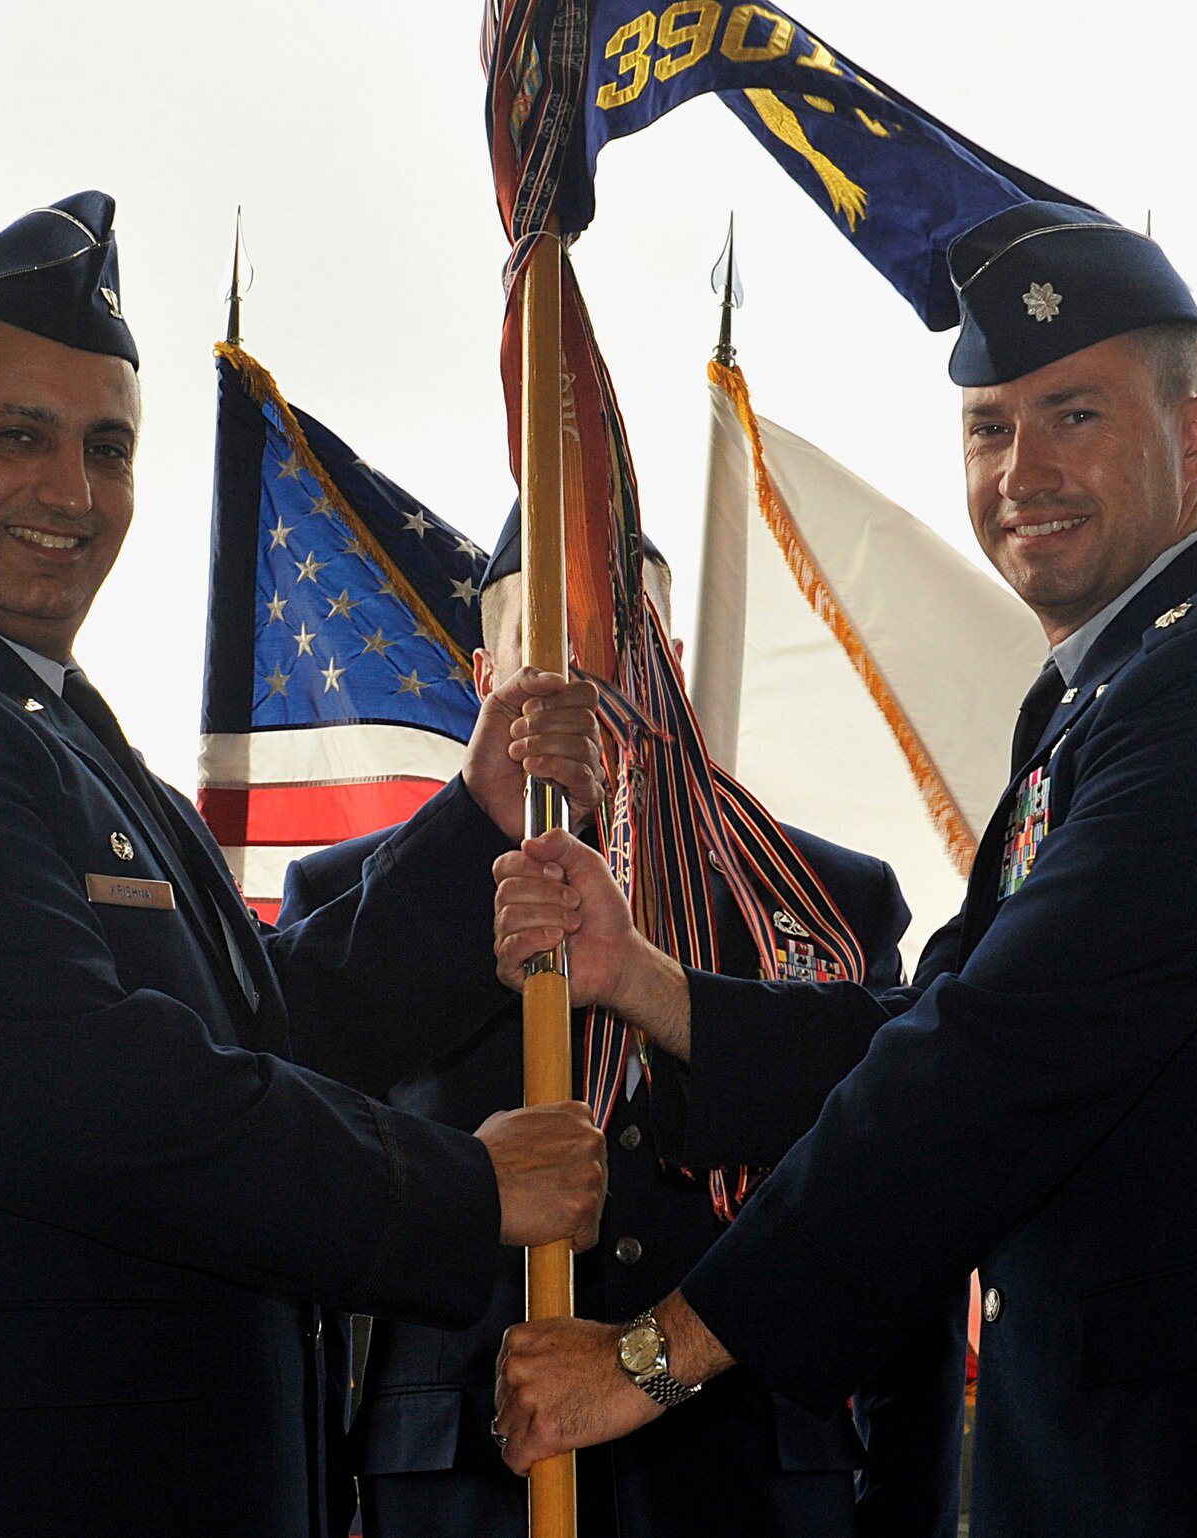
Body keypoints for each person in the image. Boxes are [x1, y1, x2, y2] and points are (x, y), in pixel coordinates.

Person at [490, 200, 1197, 1536]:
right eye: (988, 427)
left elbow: (986, 1064)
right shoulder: (1102, 699)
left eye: (1075, 414)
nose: (1023, 470)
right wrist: (649, 980)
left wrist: (649, 1357)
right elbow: (933, 1021)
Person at [0, 192, 611, 1538]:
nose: (73, 493)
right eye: (17, 436)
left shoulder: (48, 726)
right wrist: (458, 1190)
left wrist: (477, 821)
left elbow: (261, 1025)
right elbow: (87, 1100)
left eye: (108, 447)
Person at [279, 518, 966, 1536]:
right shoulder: (357, 897)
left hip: (748, 1482)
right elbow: (296, 1198)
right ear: (482, 674)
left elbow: (899, 1204)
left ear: (669, 662)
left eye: (608, 646)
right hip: (460, 1485)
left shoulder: (821, 897)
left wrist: (906, 1503)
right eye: (539, 650)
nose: (575, 685)